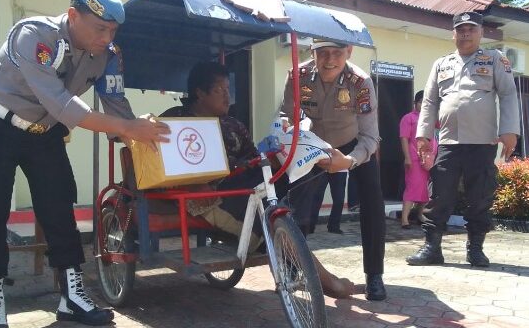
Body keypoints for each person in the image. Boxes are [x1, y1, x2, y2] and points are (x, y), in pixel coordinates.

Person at [0, 0, 171, 328]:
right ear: (73, 15)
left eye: (113, 30)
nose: (107, 38)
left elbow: (115, 103)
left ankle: (72, 295)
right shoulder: (33, 36)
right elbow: (63, 104)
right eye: (100, 28)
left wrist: (138, 137)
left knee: (60, 205)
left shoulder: (108, 55)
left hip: (44, 132)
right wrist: (127, 126)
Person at [162, 62, 356, 298]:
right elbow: (160, 161)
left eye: (228, 89)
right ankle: (328, 283)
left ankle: (295, 237)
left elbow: (254, 159)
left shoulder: (233, 124)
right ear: (200, 93)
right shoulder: (175, 120)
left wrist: (276, 159)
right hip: (210, 193)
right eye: (219, 91)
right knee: (269, 214)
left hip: (244, 183)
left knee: (306, 171)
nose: (227, 97)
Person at [406, 11, 519, 267]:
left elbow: (509, 94)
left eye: (471, 28)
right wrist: (423, 134)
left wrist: (509, 130)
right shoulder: (441, 64)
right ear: (453, 33)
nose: (465, 33)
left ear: (481, 32)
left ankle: (475, 249)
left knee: (480, 197)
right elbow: (430, 101)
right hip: (448, 142)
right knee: (439, 197)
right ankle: (432, 249)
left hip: (482, 143)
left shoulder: (494, 59)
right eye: (461, 29)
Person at [279, 40, 387, 301]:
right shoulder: (298, 76)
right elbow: (287, 114)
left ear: (349, 52)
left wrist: (349, 161)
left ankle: (374, 275)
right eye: (323, 53)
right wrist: (284, 123)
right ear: (312, 52)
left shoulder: (360, 82)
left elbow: (371, 137)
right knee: (292, 201)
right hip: (314, 143)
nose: (329, 60)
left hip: (353, 143)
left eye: (337, 53)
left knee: (373, 202)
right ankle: (293, 270)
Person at [399, 90, 436, 229]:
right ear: (415, 103)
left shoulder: (429, 118)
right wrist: (407, 158)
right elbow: (404, 138)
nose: (423, 104)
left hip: (429, 160)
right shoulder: (408, 118)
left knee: (425, 191)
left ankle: (419, 215)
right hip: (414, 158)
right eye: (421, 102)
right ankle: (404, 219)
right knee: (412, 188)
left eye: (426, 102)